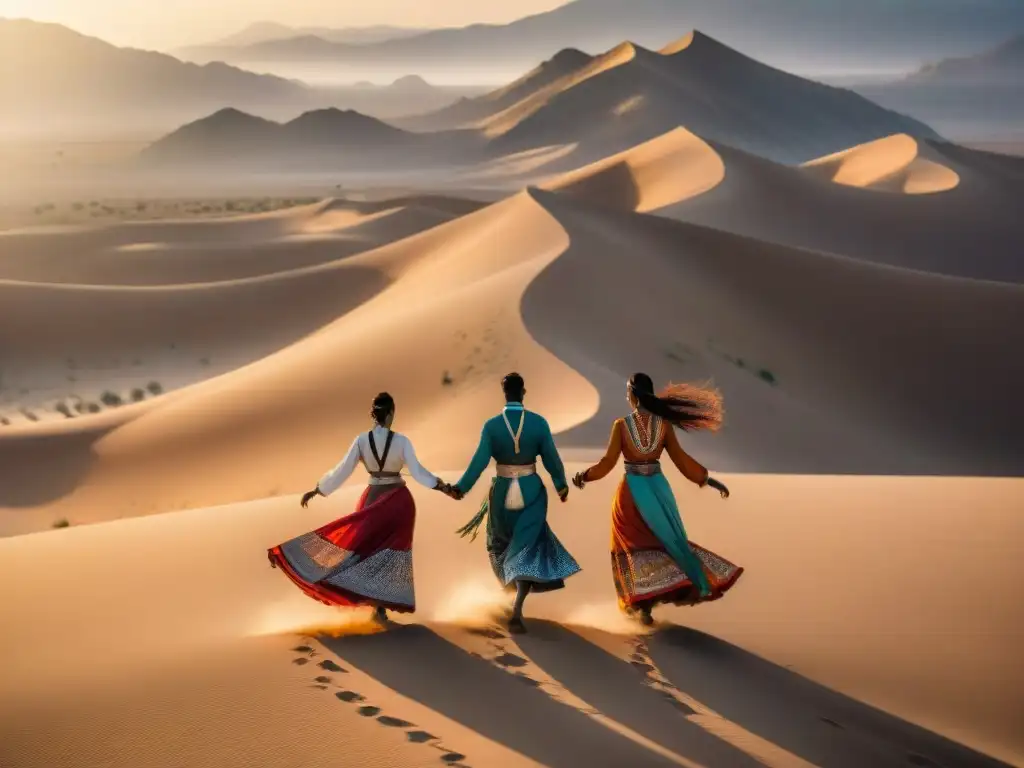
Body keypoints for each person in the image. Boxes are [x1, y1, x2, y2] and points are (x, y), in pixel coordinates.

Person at [268, 392, 458, 624]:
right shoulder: (402, 442)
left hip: (371, 500)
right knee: (390, 552)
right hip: (398, 502)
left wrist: (319, 489)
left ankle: (369, 603)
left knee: (365, 551)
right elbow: (419, 473)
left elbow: (342, 470)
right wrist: (443, 487)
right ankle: (379, 606)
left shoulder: (361, 441)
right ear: (390, 414)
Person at [572, 373, 743, 626]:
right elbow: (681, 459)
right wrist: (707, 480)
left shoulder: (621, 425)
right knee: (665, 541)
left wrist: (584, 476)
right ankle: (650, 600)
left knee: (630, 546)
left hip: (631, 492)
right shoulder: (663, 425)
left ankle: (640, 604)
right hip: (658, 491)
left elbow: (608, 464)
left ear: (632, 394)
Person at [452, 372, 580, 634]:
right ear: (523, 392)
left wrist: (461, 488)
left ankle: (512, 601)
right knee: (526, 547)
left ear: (504, 393)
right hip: (531, 491)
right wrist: (561, 485)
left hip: (500, 494)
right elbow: (551, 459)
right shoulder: (538, 423)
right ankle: (516, 606)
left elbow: (479, 461)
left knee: (498, 545)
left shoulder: (491, 426)